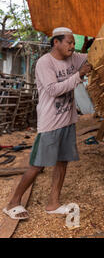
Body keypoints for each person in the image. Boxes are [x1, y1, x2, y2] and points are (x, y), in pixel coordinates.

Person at [2, 27, 93, 220]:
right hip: (50, 122)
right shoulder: (45, 63)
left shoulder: (73, 57)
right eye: (68, 42)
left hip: (68, 120)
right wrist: (79, 76)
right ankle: (13, 203)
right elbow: (53, 90)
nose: (72, 45)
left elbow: (91, 56)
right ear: (56, 43)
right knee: (37, 165)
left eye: (73, 42)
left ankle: (53, 203)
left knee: (62, 162)